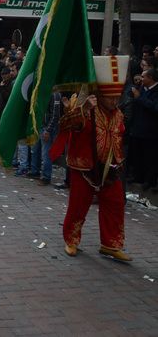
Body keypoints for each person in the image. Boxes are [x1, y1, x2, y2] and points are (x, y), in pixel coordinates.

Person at [60, 55, 131, 261]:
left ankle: (110, 244)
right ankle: (71, 240)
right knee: (78, 205)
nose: (114, 101)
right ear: (100, 95)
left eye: (116, 98)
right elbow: (66, 125)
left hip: (110, 168)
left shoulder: (118, 114)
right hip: (84, 168)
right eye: (110, 98)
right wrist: (82, 109)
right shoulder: (86, 108)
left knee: (115, 204)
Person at [128, 68, 158, 191]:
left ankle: (148, 181)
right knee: (137, 155)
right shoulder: (140, 88)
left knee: (149, 157)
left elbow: (154, 107)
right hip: (137, 128)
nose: (141, 79)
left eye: (144, 76)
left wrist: (139, 98)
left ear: (150, 78)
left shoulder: (156, 91)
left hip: (150, 131)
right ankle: (137, 177)